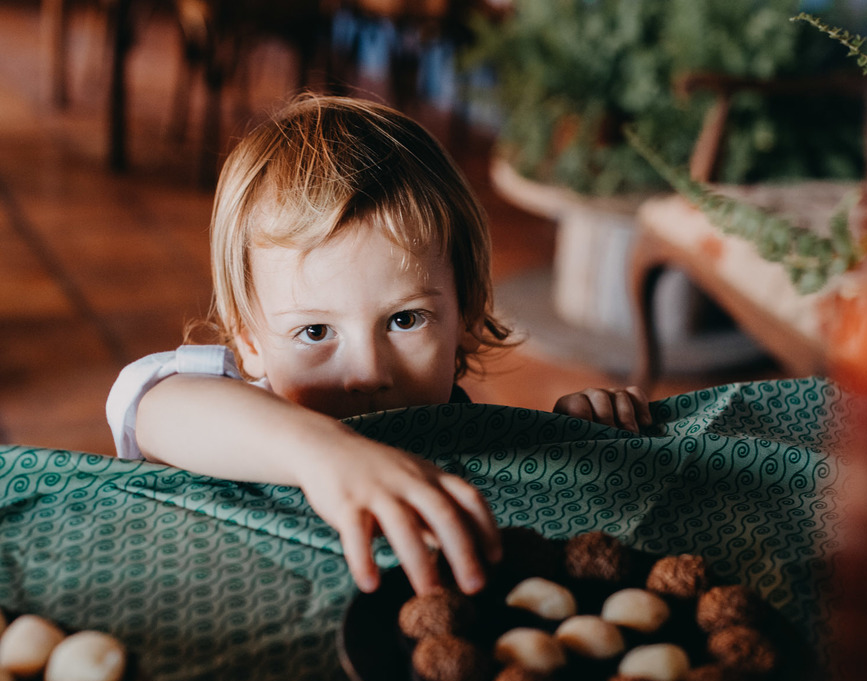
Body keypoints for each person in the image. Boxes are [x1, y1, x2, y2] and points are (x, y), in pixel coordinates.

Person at [106, 94, 651, 598]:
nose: (368, 372)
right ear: (249, 341)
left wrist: (567, 433)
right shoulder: (238, 426)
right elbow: (146, 401)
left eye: (405, 319)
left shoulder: (468, 431)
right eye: (315, 332)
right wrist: (325, 454)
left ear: (467, 311)